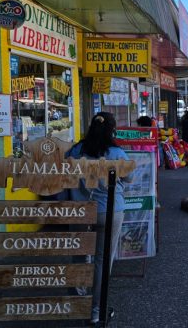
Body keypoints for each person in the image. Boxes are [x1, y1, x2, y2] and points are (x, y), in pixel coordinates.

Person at [66, 112, 132, 324]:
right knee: (102, 261)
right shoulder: (116, 152)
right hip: (109, 210)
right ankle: (96, 311)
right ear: (112, 129)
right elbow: (129, 177)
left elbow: (64, 171)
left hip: (80, 211)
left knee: (79, 256)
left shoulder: (77, 150)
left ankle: (77, 304)